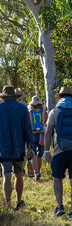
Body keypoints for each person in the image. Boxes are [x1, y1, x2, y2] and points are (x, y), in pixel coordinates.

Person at [0, 86, 34, 209]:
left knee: (6, 174)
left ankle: (8, 204)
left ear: (2, 96)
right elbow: (28, 129)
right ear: (14, 96)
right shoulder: (23, 108)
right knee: (19, 174)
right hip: (19, 147)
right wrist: (30, 147)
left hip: (3, 147)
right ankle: (19, 202)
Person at [44, 86, 72, 218]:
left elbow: (48, 132)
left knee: (57, 178)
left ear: (59, 97)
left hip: (59, 150)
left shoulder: (55, 111)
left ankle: (60, 206)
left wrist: (46, 151)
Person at [28, 95, 48, 181]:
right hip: (42, 135)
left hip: (33, 134)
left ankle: (36, 173)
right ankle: (39, 171)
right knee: (40, 154)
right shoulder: (44, 112)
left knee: (34, 154)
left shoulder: (29, 112)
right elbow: (45, 122)